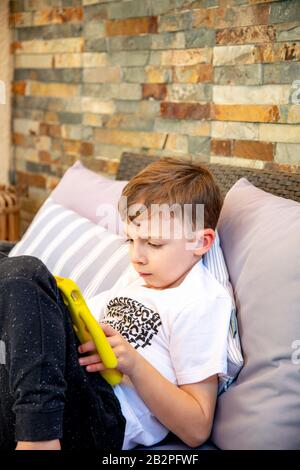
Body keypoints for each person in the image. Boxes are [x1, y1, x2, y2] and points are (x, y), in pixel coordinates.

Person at [0, 157, 232, 450]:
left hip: (99, 413)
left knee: (26, 273)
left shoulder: (200, 300)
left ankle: (40, 440)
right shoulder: (137, 284)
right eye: (130, 241)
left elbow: (198, 427)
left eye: (155, 243)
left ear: (201, 242)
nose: (137, 256)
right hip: (51, 391)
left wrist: (133, 364)